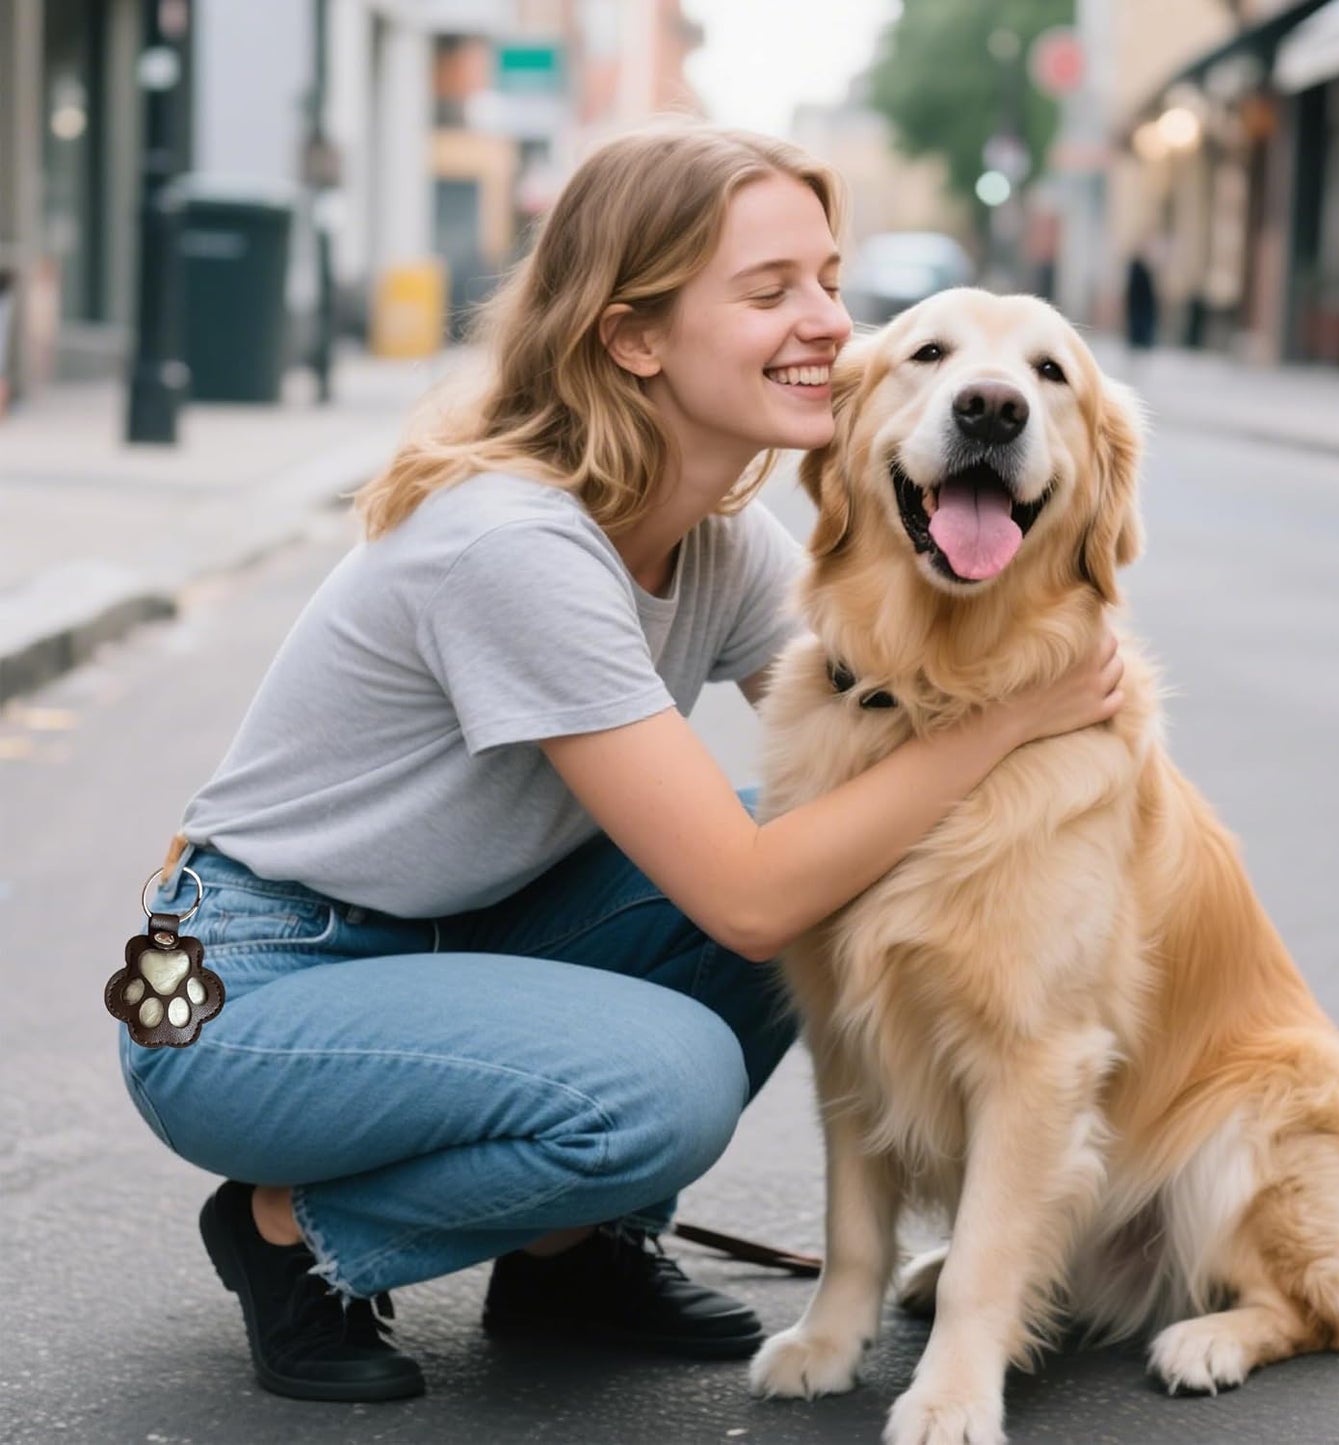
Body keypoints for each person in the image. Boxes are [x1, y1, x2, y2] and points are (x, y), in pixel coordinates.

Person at [118, 123, 1125, 1405]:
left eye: (827, 278)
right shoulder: (512, 543)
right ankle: (288, 1237)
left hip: (449, 943)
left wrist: (1032, 646)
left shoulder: (717, 542)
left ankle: (568, 1254)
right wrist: (1005, 725)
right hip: (230, 990)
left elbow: (883, 741)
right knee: (667, 1072)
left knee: (827, 834)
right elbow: (753, 896)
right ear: (633, 336)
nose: (829, 325)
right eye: (768, 293)